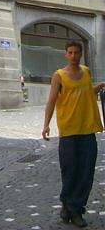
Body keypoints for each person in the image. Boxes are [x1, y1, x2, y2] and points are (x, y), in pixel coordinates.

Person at [42, 40, 105, 228]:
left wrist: (99, 86)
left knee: (86, 174)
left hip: (87, 130)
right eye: (70, 52)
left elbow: (85, 93)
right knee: (70, 172)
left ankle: (74, 209)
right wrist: (46, 125)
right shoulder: (59, 76)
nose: (73, 56)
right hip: (68, 132)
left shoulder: (86, 72)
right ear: (65, 54)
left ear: (80, 54)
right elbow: (51, 102)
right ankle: (70, 207)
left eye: (76, 52)